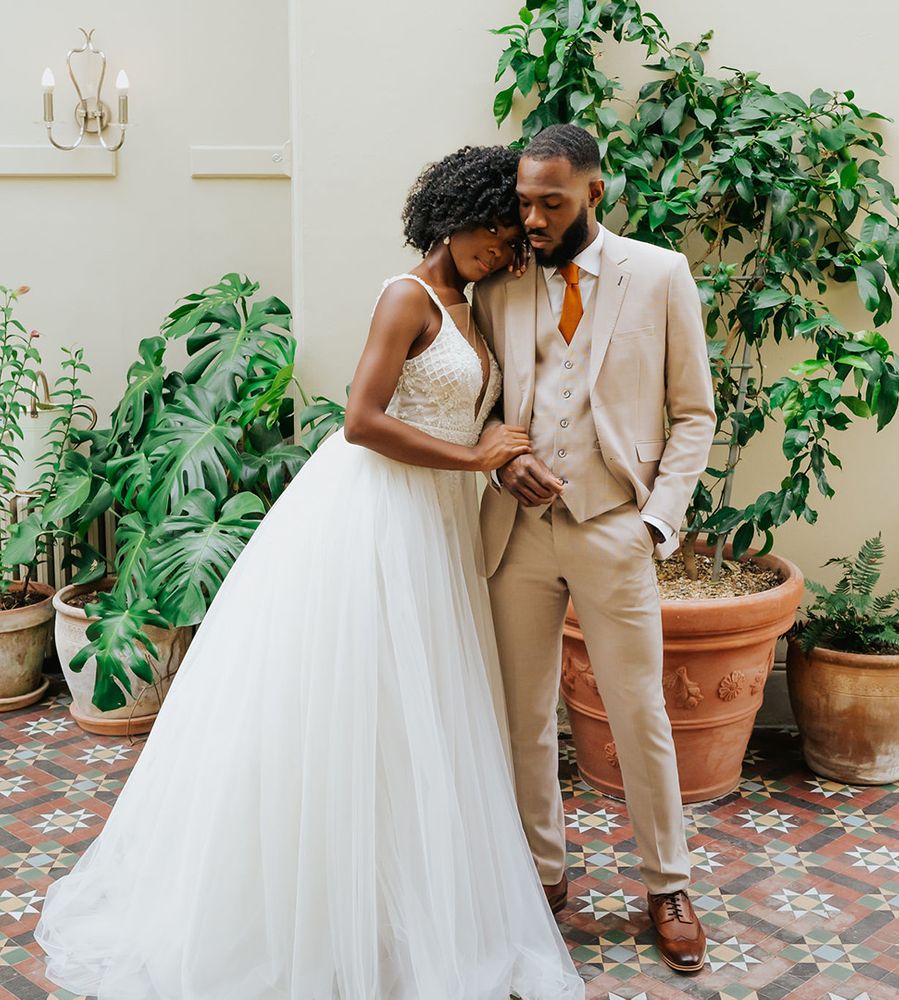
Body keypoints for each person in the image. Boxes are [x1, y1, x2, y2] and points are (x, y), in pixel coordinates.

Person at [35, 144, 585, 1000]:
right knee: (346, 703)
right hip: (375, 516)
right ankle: (313, 915)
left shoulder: (472, 305)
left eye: (517, 239)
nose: (510, 250)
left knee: (418, 713)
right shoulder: (406, 298)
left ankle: (402, 908)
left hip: (437, 528)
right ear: (456, 219)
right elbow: (363, 422)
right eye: (500, 234)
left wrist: (491, 458)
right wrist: (475, 456)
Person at [473, 124, 716, 974]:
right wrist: (507, 464)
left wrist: (657, 521)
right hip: (519, 532)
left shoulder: (657, 274)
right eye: (525, 203)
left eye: (552, 203)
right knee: (524, 717)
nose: (533, 219)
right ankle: (543, 876)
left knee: (637, 711)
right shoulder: (498, 287)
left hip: (617, 524)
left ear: (593, 194)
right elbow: (482, 401)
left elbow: (695, 413)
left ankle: (667, 883)